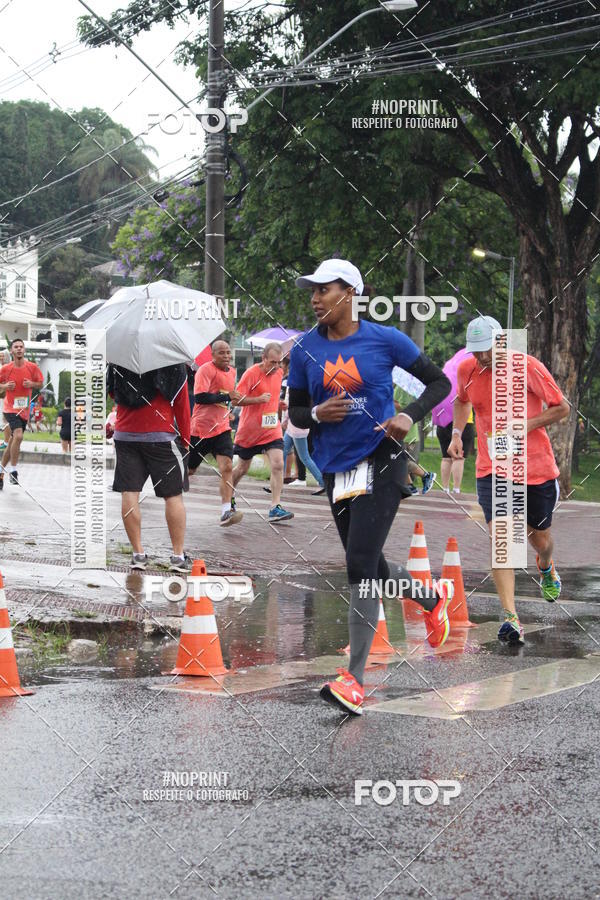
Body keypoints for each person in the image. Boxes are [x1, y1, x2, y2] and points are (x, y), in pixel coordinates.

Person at [289, 258, 453, 715]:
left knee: (359, 563)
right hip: (336, 467)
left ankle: (354, 680)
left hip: (383, 458)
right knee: (369, 561)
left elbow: (441, 383)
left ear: (351, 293)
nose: (315, 298)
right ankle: (429, 596)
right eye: (313, 290)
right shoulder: (304, 350)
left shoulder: (384, 339)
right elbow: (296, 413)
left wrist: (408, 415)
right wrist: (317, 415)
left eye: (324, 289)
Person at [448, 315, 570, 643]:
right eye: (476, 352)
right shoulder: (467, 370)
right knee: (503, 540)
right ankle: (511, 618)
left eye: (487, 350)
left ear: (500, 341)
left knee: (539, 539)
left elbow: (562, 408)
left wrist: (526, 424)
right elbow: (461, 401)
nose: (483, 357)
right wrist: (457, 433)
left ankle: (546, 566)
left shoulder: (527, 366)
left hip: (536, 470)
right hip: (493, 469)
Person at [107, 363, 192, 572]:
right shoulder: (172, 361)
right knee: (173, 495)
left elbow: (112, 392)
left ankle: (138, 555)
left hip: (125, 435)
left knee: (129, 493)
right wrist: (186, 439)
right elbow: (181, 402)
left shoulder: (119, 360)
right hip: (161, 435)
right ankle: (178, 556)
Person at [231, 343, 294, 522]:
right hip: (250, 431)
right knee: (243, 468)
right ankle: (229, 495)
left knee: (278, 464)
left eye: (279, 362)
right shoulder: (251, 374)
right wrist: (258, 399)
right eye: (272, 362)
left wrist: (278, 403)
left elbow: (272, 396)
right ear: (263, 359)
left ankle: (275, 507)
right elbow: (235, 400)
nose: (276, 366)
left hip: (271, 429)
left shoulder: (279, 373)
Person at [188, 340, 243, 527]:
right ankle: (171, 491)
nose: (227, 356)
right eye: (222, 353)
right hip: (201, 428)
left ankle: (226, 510)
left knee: (227, 467)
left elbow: (225, 399)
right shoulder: (205, 370)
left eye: (228, 352)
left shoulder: (233, 372)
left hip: (222, 428)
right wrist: (227, 397)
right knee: (190, 469)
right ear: (213, 355)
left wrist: (228, 407)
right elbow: (201, 397)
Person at [0, 338, 44, 489]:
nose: (19, 349)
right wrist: (5, 386)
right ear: (11, 351)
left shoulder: (32, 367)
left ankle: (0, 471)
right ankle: (13, 471)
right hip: (10, 409)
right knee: (18, 435)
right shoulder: (5, 368)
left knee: (13, 441)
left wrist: (31, 384)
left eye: (21, 347)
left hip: (24, 410)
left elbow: (40, 383)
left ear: (24, 350)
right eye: (16, 347)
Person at [393, 385, 434, 494]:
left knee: (399, 460)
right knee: (399, 459)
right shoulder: (400, 387)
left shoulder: (403, 388)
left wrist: (389, 402)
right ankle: (410, 486)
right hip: (403, 432)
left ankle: (426, 475)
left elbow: (405, 407)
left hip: (406, 433)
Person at [436, 407, 475, 494]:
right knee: (458, 458)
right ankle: (456, 489)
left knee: (446, 458)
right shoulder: (464, 392)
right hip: (464, 422)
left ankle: (445, 488)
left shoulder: (441, 392)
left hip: (443, 421)